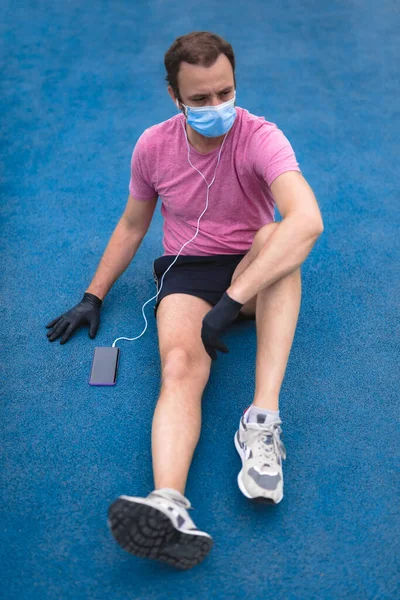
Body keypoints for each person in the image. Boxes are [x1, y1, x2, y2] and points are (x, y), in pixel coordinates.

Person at [45, 31, 324, 570]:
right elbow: (132, 224)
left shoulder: (262, 137)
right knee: (178, 366)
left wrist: (232, 300)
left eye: (225, 93)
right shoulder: (153, 145)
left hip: (252, 269)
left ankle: (261, 418)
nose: (217, 107)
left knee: (282, 242)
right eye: (200, 99)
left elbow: (308, 221)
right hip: (187, 272)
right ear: (174, 95)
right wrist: (92, 294)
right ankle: (169, 503)